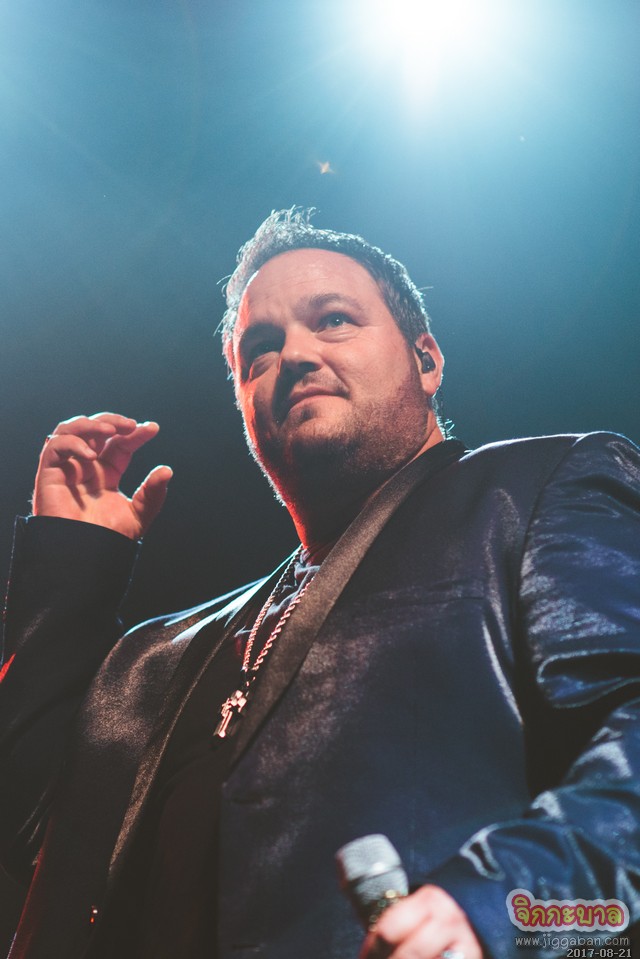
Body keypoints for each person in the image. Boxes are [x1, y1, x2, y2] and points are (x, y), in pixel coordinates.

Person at [1, 208, 639, 959]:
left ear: (426, 360)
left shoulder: (531, 493)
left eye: (333, 320)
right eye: (260, 350)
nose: (295, 355)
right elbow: (31, 829)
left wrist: (497, 909)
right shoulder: (155, 653)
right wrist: (75, 560)